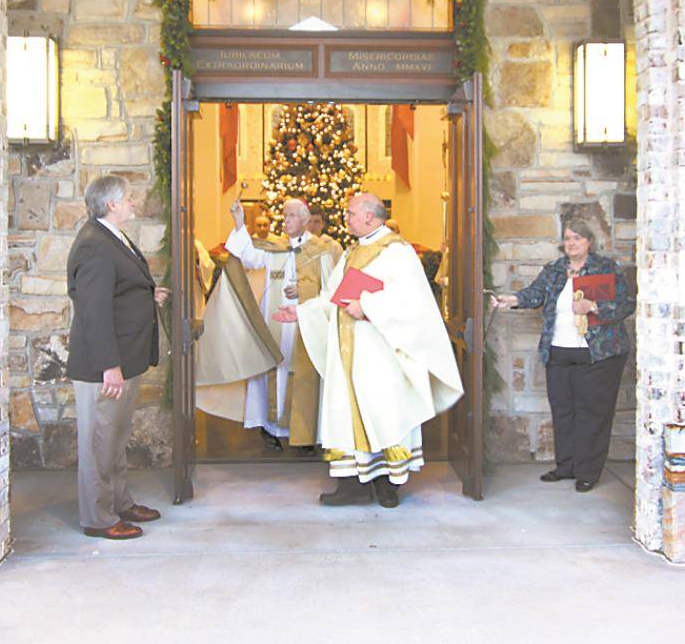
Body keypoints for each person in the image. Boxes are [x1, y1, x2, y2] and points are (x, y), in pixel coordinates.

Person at [273, 193, 464, 508]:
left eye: (350, 214)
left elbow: (412, 302)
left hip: (381, 355)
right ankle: (351, 485)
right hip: (346, 353)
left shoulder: (398, 253)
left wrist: (368, 306)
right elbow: (331, 295)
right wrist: (302, 311)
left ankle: (387, 484)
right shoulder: (352, 251)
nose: (345, 218)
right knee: (344, 413)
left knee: (385, 414)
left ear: (369, 216)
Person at [491, 220, 635, 493]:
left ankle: (588, 471)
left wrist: (593, 305)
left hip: (598, 354)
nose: (571, 243)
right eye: (567, 238)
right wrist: (511, 300)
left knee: (593, 414)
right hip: (559, 351)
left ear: (589, 241)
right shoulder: (554, 270)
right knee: (563, 411)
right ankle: (566, 465)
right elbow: (534, 294)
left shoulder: (606, 268)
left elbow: (626, 304)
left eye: (577, 238)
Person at [65, 175, 170, 539]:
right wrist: (109, 366)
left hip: (125, 360)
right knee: (99, 442)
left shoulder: (113, 237)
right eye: (128, 198)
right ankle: (98, 517)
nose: (133, 203)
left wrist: (146, 295)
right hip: (105, 367)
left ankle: (120, 502)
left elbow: (117, 290)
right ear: (111, 204)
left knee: (115, 436)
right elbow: (93, 311)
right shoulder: (95, 245)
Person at [195, 198, 339, 451]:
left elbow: (331, 289)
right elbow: (248, 257)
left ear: (305, 220)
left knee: (302, 374)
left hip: (303, 323)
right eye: (284, 216)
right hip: (274, 323)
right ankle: (270, 427)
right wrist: (239, 222)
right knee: (272, 370)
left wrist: (305, 290)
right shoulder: (275, 248)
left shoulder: (321, 250)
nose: (286, 220)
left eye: (292, 216)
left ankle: (303, 433)